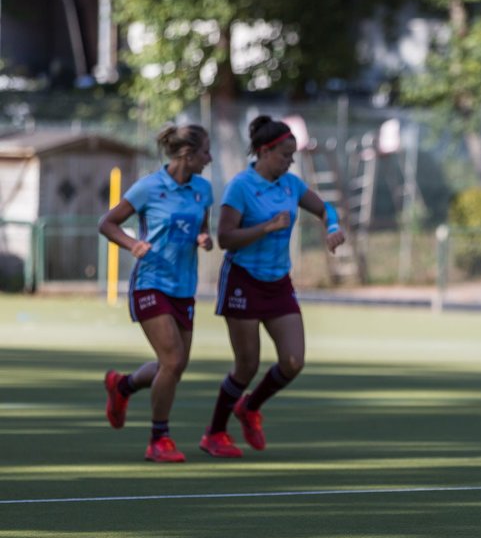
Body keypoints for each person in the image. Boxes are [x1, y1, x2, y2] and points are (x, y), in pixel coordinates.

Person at [199, 115, 345, 458]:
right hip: (243, 281)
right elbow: (225, 239)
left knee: (293, 361)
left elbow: (326, 208)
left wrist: (332, 227)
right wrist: (265, 227)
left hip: (278, 282)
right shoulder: (241, 186)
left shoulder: (290, 185)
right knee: (246, 366)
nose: (290, 161)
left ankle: (250, 408)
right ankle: (214, 433)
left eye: (292, 156)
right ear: (265, 152)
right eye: (285, 155)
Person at [100, 125, 215, 463]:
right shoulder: (149, 187)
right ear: (188, 154)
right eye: (206, 152)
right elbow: (107, 223)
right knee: (173, 360)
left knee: (175, 367)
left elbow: (201, 226)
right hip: (151, 283)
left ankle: (123, 386)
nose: (210, 159)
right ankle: (158, 439)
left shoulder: (203, 190)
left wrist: (203, 238)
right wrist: (132, 243)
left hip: (184, 287)